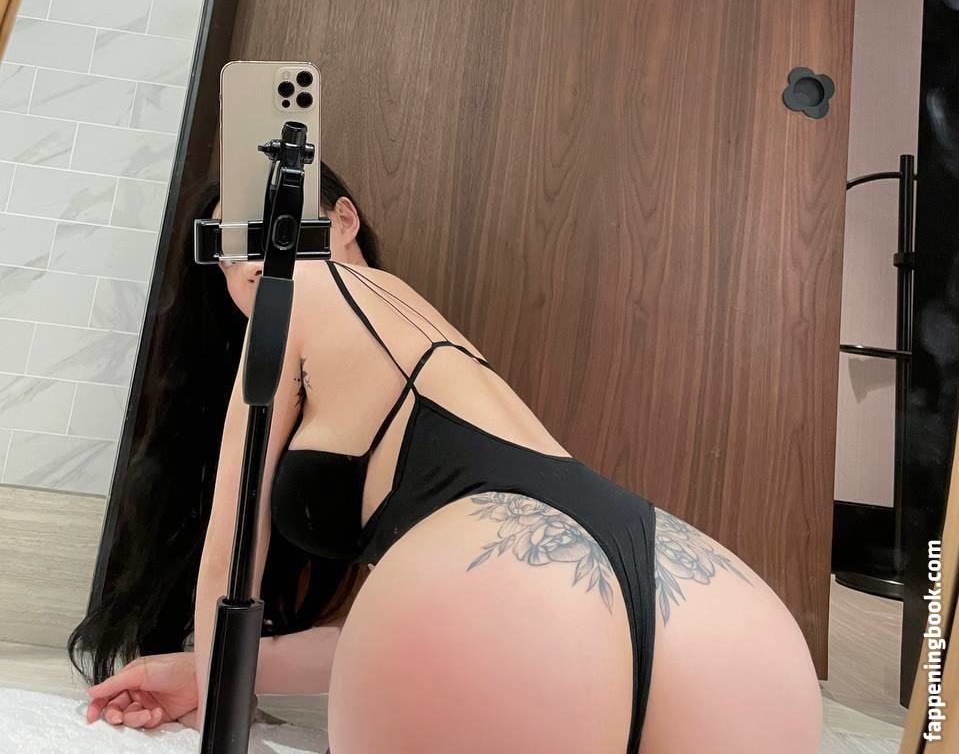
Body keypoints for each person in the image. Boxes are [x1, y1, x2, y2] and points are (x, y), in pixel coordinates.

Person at [79, 164, 823, 752]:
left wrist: (222, 697)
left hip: (515, 588)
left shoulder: (290, 290)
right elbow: (467, 627)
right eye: (226, 248)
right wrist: (199, 671)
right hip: (705, 597)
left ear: (343, 221)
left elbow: (229, 555)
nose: (249, 261)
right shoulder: (433, 337)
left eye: (261, 229)